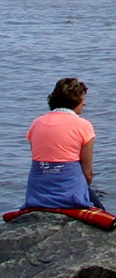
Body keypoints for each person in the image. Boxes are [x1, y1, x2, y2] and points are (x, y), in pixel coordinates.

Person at [21, 78, 104, 211]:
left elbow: (39, 158)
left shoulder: (37, 123)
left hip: (38, 195)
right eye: (82, 99)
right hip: (70, 195)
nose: (85, 103)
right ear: (75, 101)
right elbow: (87, 173)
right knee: (102, 210)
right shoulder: (83, 125)